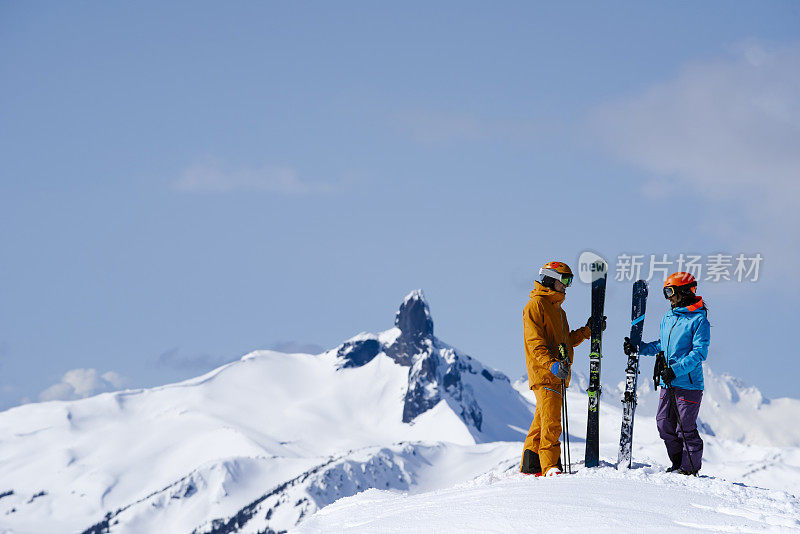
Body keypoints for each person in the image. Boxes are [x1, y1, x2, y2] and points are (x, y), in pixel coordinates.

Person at [521, 261, 603, 476]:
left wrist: (587, 331)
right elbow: (534, 343)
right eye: (564, 280)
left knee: (541, 423)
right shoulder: (535, 306)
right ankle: (550, 467)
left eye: (570, 280)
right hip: (546, 374)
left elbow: (566, 341)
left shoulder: (559, 311)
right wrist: (552, 365)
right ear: (549, 279)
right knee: (552, 423)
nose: (567, 285)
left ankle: (531, 466)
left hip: (558, 374)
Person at [624, 272, 710, 475]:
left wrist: (676, 370)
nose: (668, 297)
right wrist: (639, 348)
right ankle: (678, 463)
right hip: (667, 381)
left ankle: (689, 469)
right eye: (665, 292)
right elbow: (663, 345)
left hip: (688, 384)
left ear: (684, 291)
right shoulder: (668, 317)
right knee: (664, 425)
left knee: (685, 427)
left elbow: (699, 353)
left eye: (670, 291)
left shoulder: (699, 321)